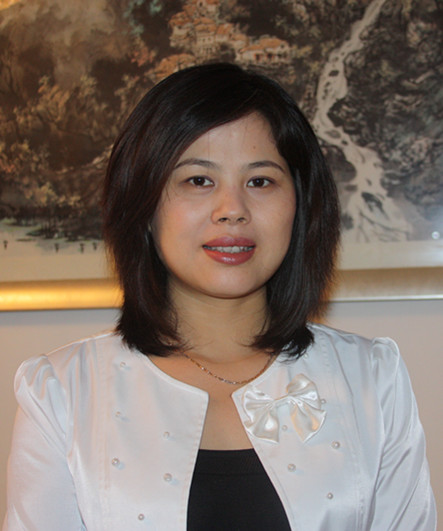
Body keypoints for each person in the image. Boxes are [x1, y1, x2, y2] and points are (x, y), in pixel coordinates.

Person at [3, 63, 436, 530]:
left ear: (300, 203)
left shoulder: (372, 379)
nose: (233, 210)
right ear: (143, 205)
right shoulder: (61, 391)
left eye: (260, 181)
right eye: (198, 180)